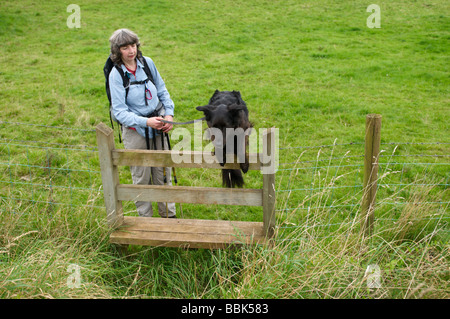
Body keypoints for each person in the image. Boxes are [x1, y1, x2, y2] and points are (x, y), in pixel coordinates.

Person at [108, 28, 176, 218]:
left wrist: (168, 115)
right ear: (117, 51)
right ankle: (146, 222)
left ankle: (169, 218)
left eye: (133, 46)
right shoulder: (116, 74)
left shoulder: (147, 64)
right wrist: (146, 122)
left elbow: (162, 91)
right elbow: (119, 111)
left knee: (163, 174)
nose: (131, 51)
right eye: (125, 47)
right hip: (135, 131)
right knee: (142, 178)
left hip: (159, 125)